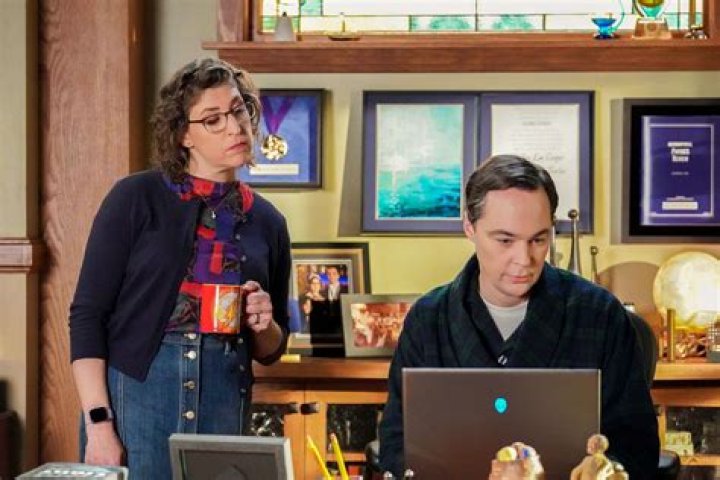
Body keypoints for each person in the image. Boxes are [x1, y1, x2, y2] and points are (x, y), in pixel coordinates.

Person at [69, 57, 291, 479]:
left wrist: (263, 324)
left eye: (239, 110)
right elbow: (87, 316)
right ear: (183, 134)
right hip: (136, 401)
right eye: (213, 119)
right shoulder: (134, 198)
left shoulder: (269, 222)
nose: (234, 127)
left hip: (224, 402)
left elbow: (272, 350)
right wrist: (98, 424)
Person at [378, 155, 659, 479]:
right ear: (469, 226)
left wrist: (605, 469)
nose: (523, 259)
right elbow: (397, 445)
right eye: (505, 240)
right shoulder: (428, 320)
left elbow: (638, 447)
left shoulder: (600, 316)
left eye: (538, 240)